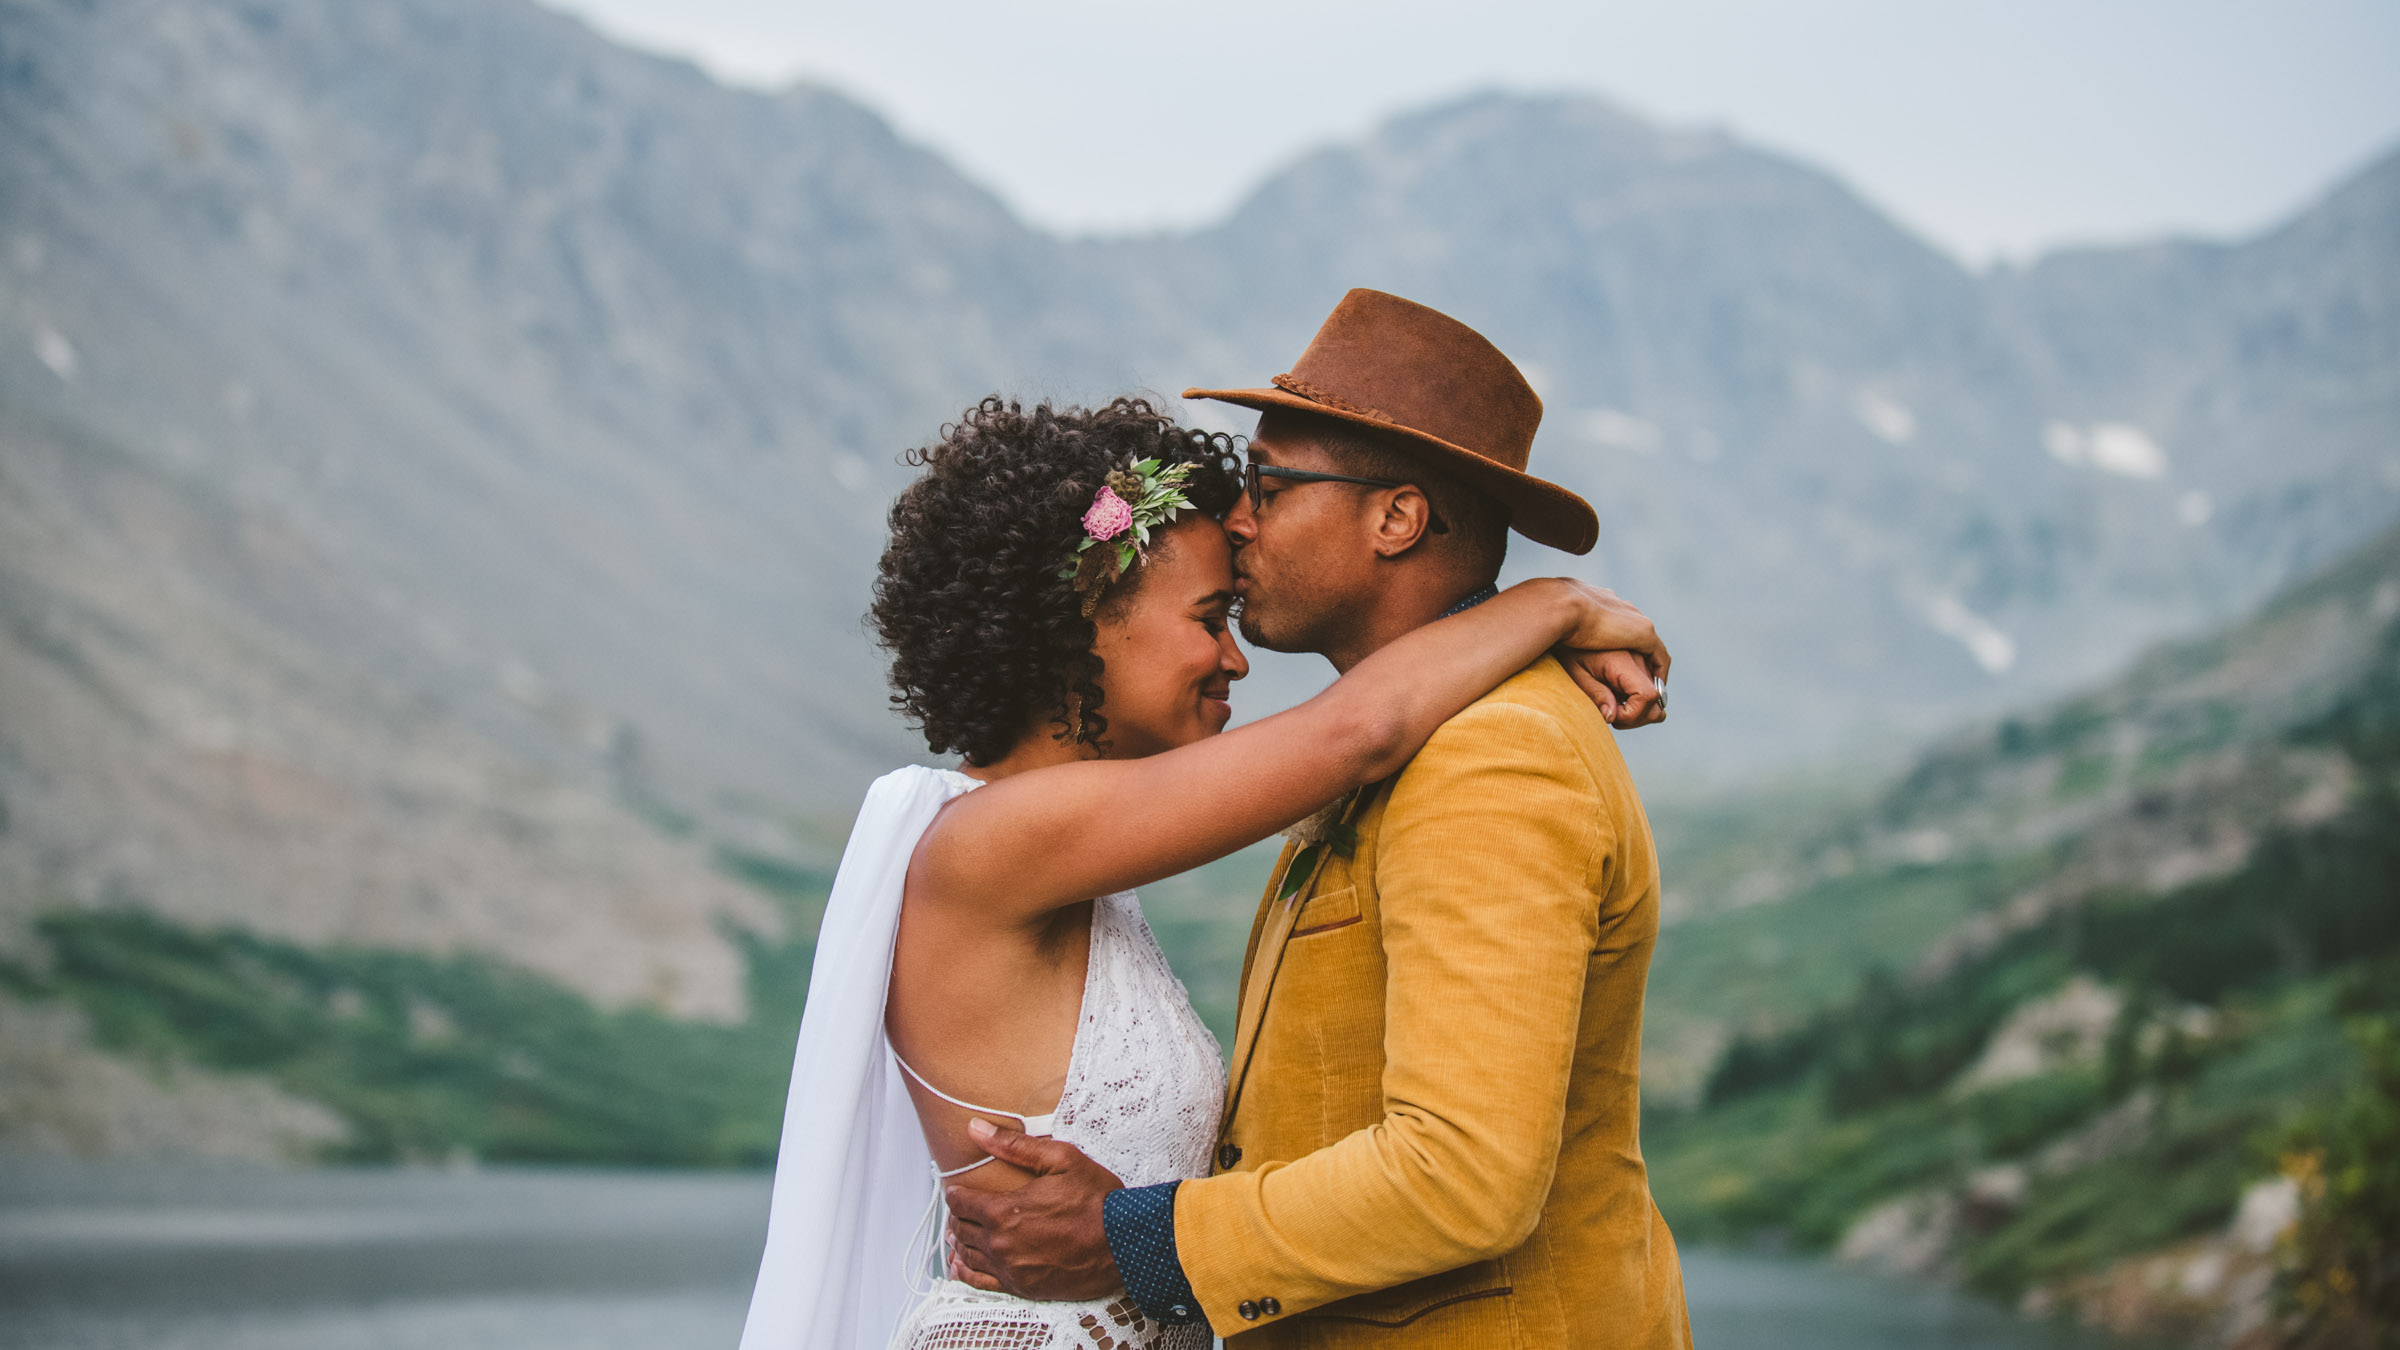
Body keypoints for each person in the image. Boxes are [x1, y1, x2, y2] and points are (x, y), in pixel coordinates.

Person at [735, 391, 1668, 1350]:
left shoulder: (1070, 856)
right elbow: (1356, 731)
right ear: (1086, 620)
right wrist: (1553, 603)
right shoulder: (999, 841)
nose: (1237, 658)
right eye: (1209, 617)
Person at [941, 291, 1696, 1347]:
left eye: (1269, 484)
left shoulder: (1494, 754)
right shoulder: (1399, 744)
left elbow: (1465, 1173)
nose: (1236, 518)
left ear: (1396, 517)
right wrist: (1553, 606)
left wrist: (1135, 1240)